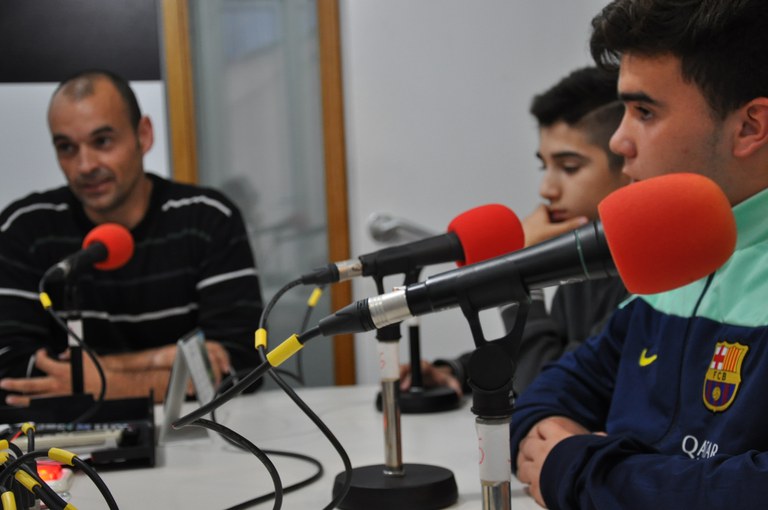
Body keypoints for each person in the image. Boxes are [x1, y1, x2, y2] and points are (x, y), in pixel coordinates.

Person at [512, 1, 768, 508]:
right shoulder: (682, 254)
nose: (618, 140)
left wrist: (589, 475)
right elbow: (555, 389)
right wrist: (549, 435)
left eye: (644, 112)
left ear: (749, 127)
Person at [0, 70, 264, 405]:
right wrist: (162, 361)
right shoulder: (25, 229)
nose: (85, 165)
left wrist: (102, 382)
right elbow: (11, 374)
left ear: (144, 135)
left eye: (102, 141)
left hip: (197, 431)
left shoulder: (208, 218)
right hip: (71, 437)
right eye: (66, 147)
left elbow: (242, 366)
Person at [400, 66, 629, 396]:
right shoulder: (588, 257)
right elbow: (557, 353)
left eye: (569, 167)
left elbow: (545, 390)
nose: (546, 189)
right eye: (544, 166)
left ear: (628, 162)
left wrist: (517, 275)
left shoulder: (642, 279)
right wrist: (459, 370)